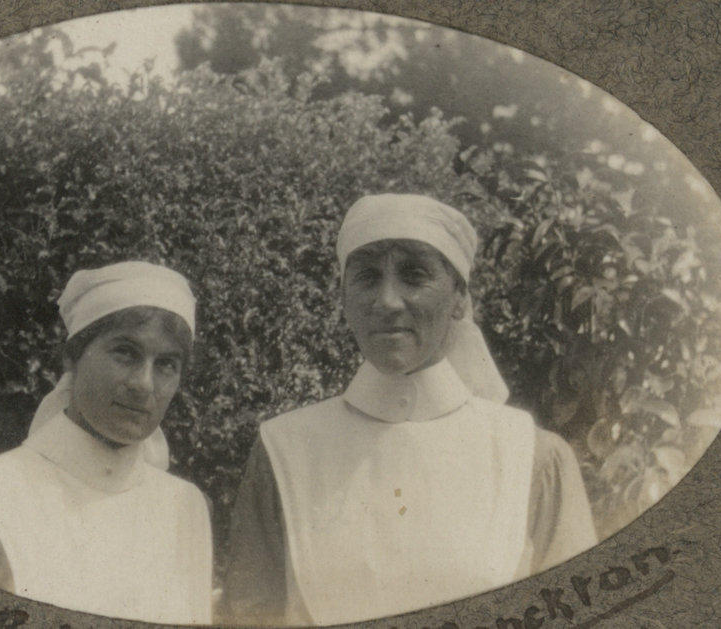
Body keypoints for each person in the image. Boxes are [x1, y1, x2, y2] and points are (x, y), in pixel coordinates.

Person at [220, 194, 598, 626]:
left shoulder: (533, 456)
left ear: (459, 296)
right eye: (367, 276)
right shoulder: (284, 451)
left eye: (414, 275)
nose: (387, 301)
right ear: (343, 296)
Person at [0, 261, 212, 624]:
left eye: (166, 364)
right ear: (72, 357)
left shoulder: (185, 510)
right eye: (125, 352)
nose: (143, 384)